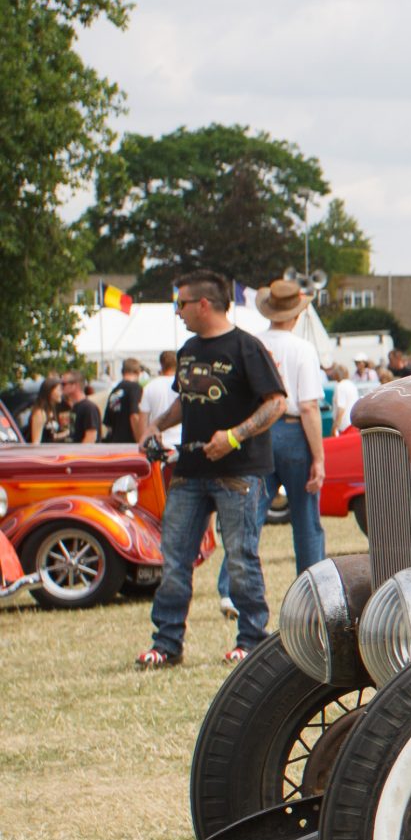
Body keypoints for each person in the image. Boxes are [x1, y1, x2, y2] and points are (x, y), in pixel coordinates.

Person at [139, 271, 287, 669]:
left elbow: (276, 403)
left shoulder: (246, 347)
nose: (178, 312)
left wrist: (235, 437)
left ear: (203, 304)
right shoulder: (188, 350)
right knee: (174, 560)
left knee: (240, 557)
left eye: (181, 304)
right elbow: (185, 402)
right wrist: (157, 425)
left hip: (239, 472)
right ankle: (167, 644)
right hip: (190, 471)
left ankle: (252, 642)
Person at [252, 279, 330, 575]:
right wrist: (319, 459)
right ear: (296, 315)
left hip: (258, 429)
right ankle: (312, 586)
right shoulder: (303, 348)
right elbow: (309, 406)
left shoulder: (253, 344)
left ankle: (230, 588)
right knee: (306, 517)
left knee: (251, 514)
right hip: (294, 430)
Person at [40, 373, 102, 443]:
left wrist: (77, 453)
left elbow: (91, 437)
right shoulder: (74, 407)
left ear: (74, 386)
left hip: (83, 453)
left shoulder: (89, 408)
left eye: (63, 384)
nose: (61, 387)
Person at [138, 350, 180, 448]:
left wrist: (143, 441)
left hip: (160, 442)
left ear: (161, 364)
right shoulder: (183, 384)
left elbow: (143, 419)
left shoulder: (150, 386)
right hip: (182, 440)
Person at [101, 358, 146, 444]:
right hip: (129, 442)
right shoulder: (135, 388)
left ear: (122, 372)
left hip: (114, 441)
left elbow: (107, 422)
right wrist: (140, 441)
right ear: (138, 372)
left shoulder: (114, 391)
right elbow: (134, 415)